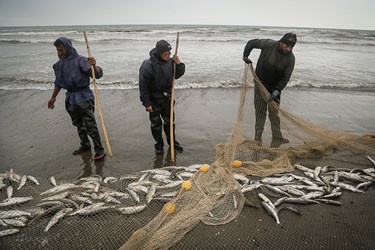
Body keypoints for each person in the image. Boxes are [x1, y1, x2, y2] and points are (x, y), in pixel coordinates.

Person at [47, 37, 105, 160]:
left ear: (68, 48)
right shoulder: (58, 65)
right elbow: (58, 83)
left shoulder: (81, 60)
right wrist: (53, 98)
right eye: (58, 50)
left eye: (62, 50)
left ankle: (99, 150)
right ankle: (85, 145)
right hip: (70, 98)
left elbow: (97, 75)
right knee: (78, 124)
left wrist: (94, 66)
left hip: (84, 96)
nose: (60, 53)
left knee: (90, 124)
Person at [243, 33, 297, 148]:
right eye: (286, 46)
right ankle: (258, 139)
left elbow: (285, 77)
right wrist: (245, 55)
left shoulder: (291, 58)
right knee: (260, 113)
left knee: (274, 114)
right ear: (281, 42)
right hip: (260, 84)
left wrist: (277, 90)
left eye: (291, 47)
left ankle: (277, 137)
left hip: (275, 88)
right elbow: (251, 42)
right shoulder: (269, 44)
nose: (288, 49)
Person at [139, 39, 186, 154]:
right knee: (156, 123)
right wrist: (147, 103)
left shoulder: (170, 62)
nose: (169, 55)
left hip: (168, 97)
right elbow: (143, 85)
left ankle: (172, 142)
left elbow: (178, 75)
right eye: (166, 53)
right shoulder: (148, 65)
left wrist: (179, 63)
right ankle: (159, 144)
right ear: (159, 53)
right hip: (153, 98)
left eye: (170, 52)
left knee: (170, 122)